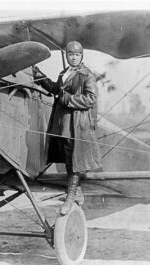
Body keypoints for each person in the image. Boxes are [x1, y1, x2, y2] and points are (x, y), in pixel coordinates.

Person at [33, 41, 102, 215]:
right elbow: (55, 89)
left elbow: (90, 99)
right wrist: (38, 75)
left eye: (77, 54)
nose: (73, 57)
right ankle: (77, 192)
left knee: (74, 161)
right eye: (71, 54)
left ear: (81, 56)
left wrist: (69, 100)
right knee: (67, 158)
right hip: (63, 123)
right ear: (66, 56)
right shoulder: (64, 73)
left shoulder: (87, 75)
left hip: (76, 124)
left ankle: (70, 197)